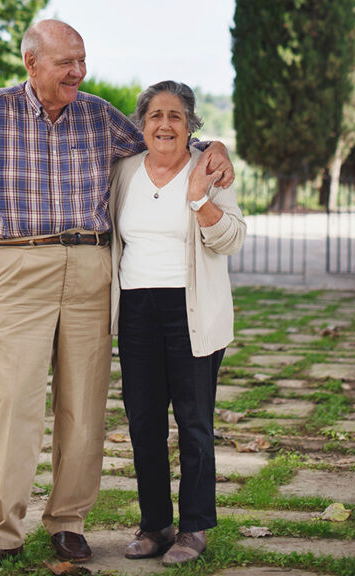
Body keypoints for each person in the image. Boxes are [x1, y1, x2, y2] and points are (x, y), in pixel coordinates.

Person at [0, 20, 235, 572]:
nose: (78, 72)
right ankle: (3, 530)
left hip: (91, 267)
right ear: (32, 63)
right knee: (13, 402)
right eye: (65, 63)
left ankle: (68, 524)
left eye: (82, 60)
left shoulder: (101, 116)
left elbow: (166, 143)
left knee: (84, 406)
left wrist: (214, 145)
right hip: (18, 262)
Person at [109, 80, 246, 567]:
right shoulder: (123, 170)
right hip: (137, 311)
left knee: (194, 423)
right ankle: (155, 524)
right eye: (155, 116)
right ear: (141, 125)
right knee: (143, 423)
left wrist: (196, 198)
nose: (164, 124)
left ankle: (193, 528)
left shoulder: (209, 170)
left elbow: (231, 238)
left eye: (175, 116)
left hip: (192, 310)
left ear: (191, 126)